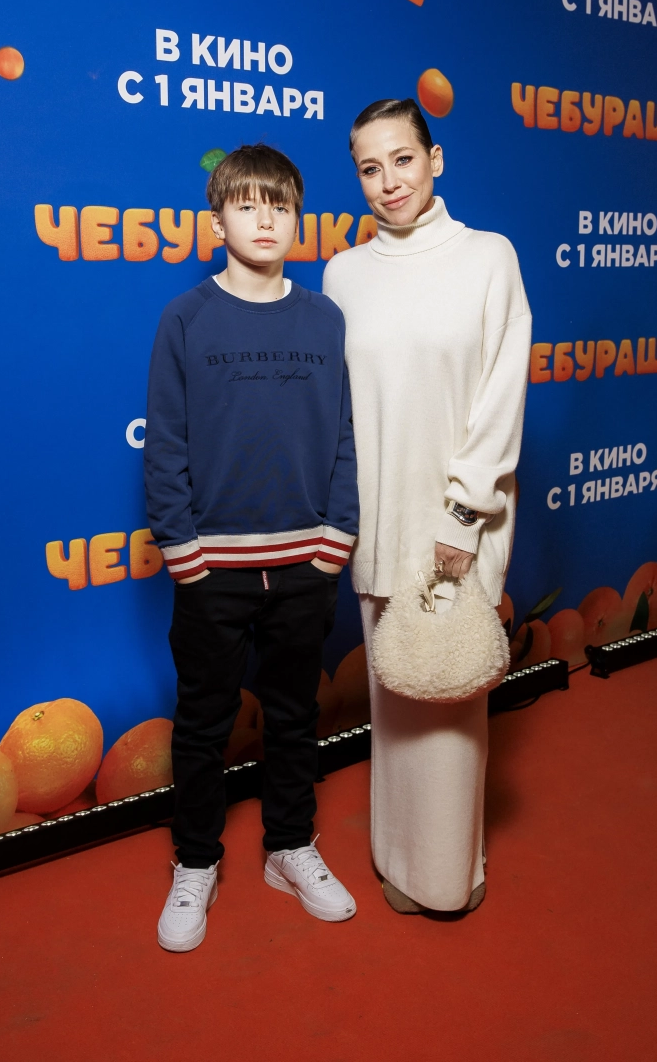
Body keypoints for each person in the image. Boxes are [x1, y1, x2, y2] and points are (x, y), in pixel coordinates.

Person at [145, 143, 359, 951]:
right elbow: (165, 444)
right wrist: (184, 553)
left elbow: (347, 435)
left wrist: (336, 538)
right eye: (247, 204)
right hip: (213, 569)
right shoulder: (185, 318)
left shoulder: (325, 318)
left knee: (296, 714)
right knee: (203, 722)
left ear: (299, 219)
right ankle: (196, 860)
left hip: (306, 563)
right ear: (217, 221)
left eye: (280, 205)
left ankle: (289, 846)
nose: (265, 219)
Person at [323, 99, 531, 914]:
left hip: (456, 523)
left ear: (434, 159)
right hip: (375, 519)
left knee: (448, 702)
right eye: (369, 168)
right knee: (395, 701)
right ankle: (396, 857)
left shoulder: (488, 256)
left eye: (402, 160)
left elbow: (502, 392)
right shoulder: (343, 273)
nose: (389, 181)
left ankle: (448, 874)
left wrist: (464, 517)